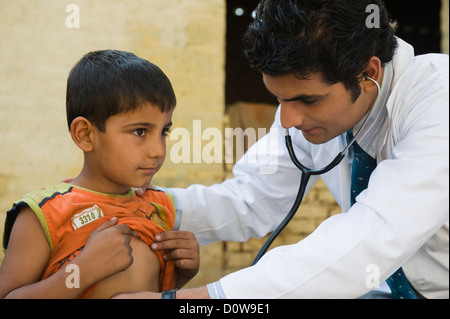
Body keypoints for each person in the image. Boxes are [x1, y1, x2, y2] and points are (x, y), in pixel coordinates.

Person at [114, 0, 449, 299]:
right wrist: (138, 205)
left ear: (368, 73)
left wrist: (200, 299)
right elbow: (252, 197)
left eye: (307, 99)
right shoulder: (313, 112)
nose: (288, 119)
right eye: (279, 99)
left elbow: (374, 235)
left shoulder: (438, 101)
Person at [0, 50, 199, 299]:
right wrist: (82, 271)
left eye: (164, 132)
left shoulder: (158, 206)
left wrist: (181, 271)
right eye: (139, 131)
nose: (158, 150)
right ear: (85, 134)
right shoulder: (46, 214)